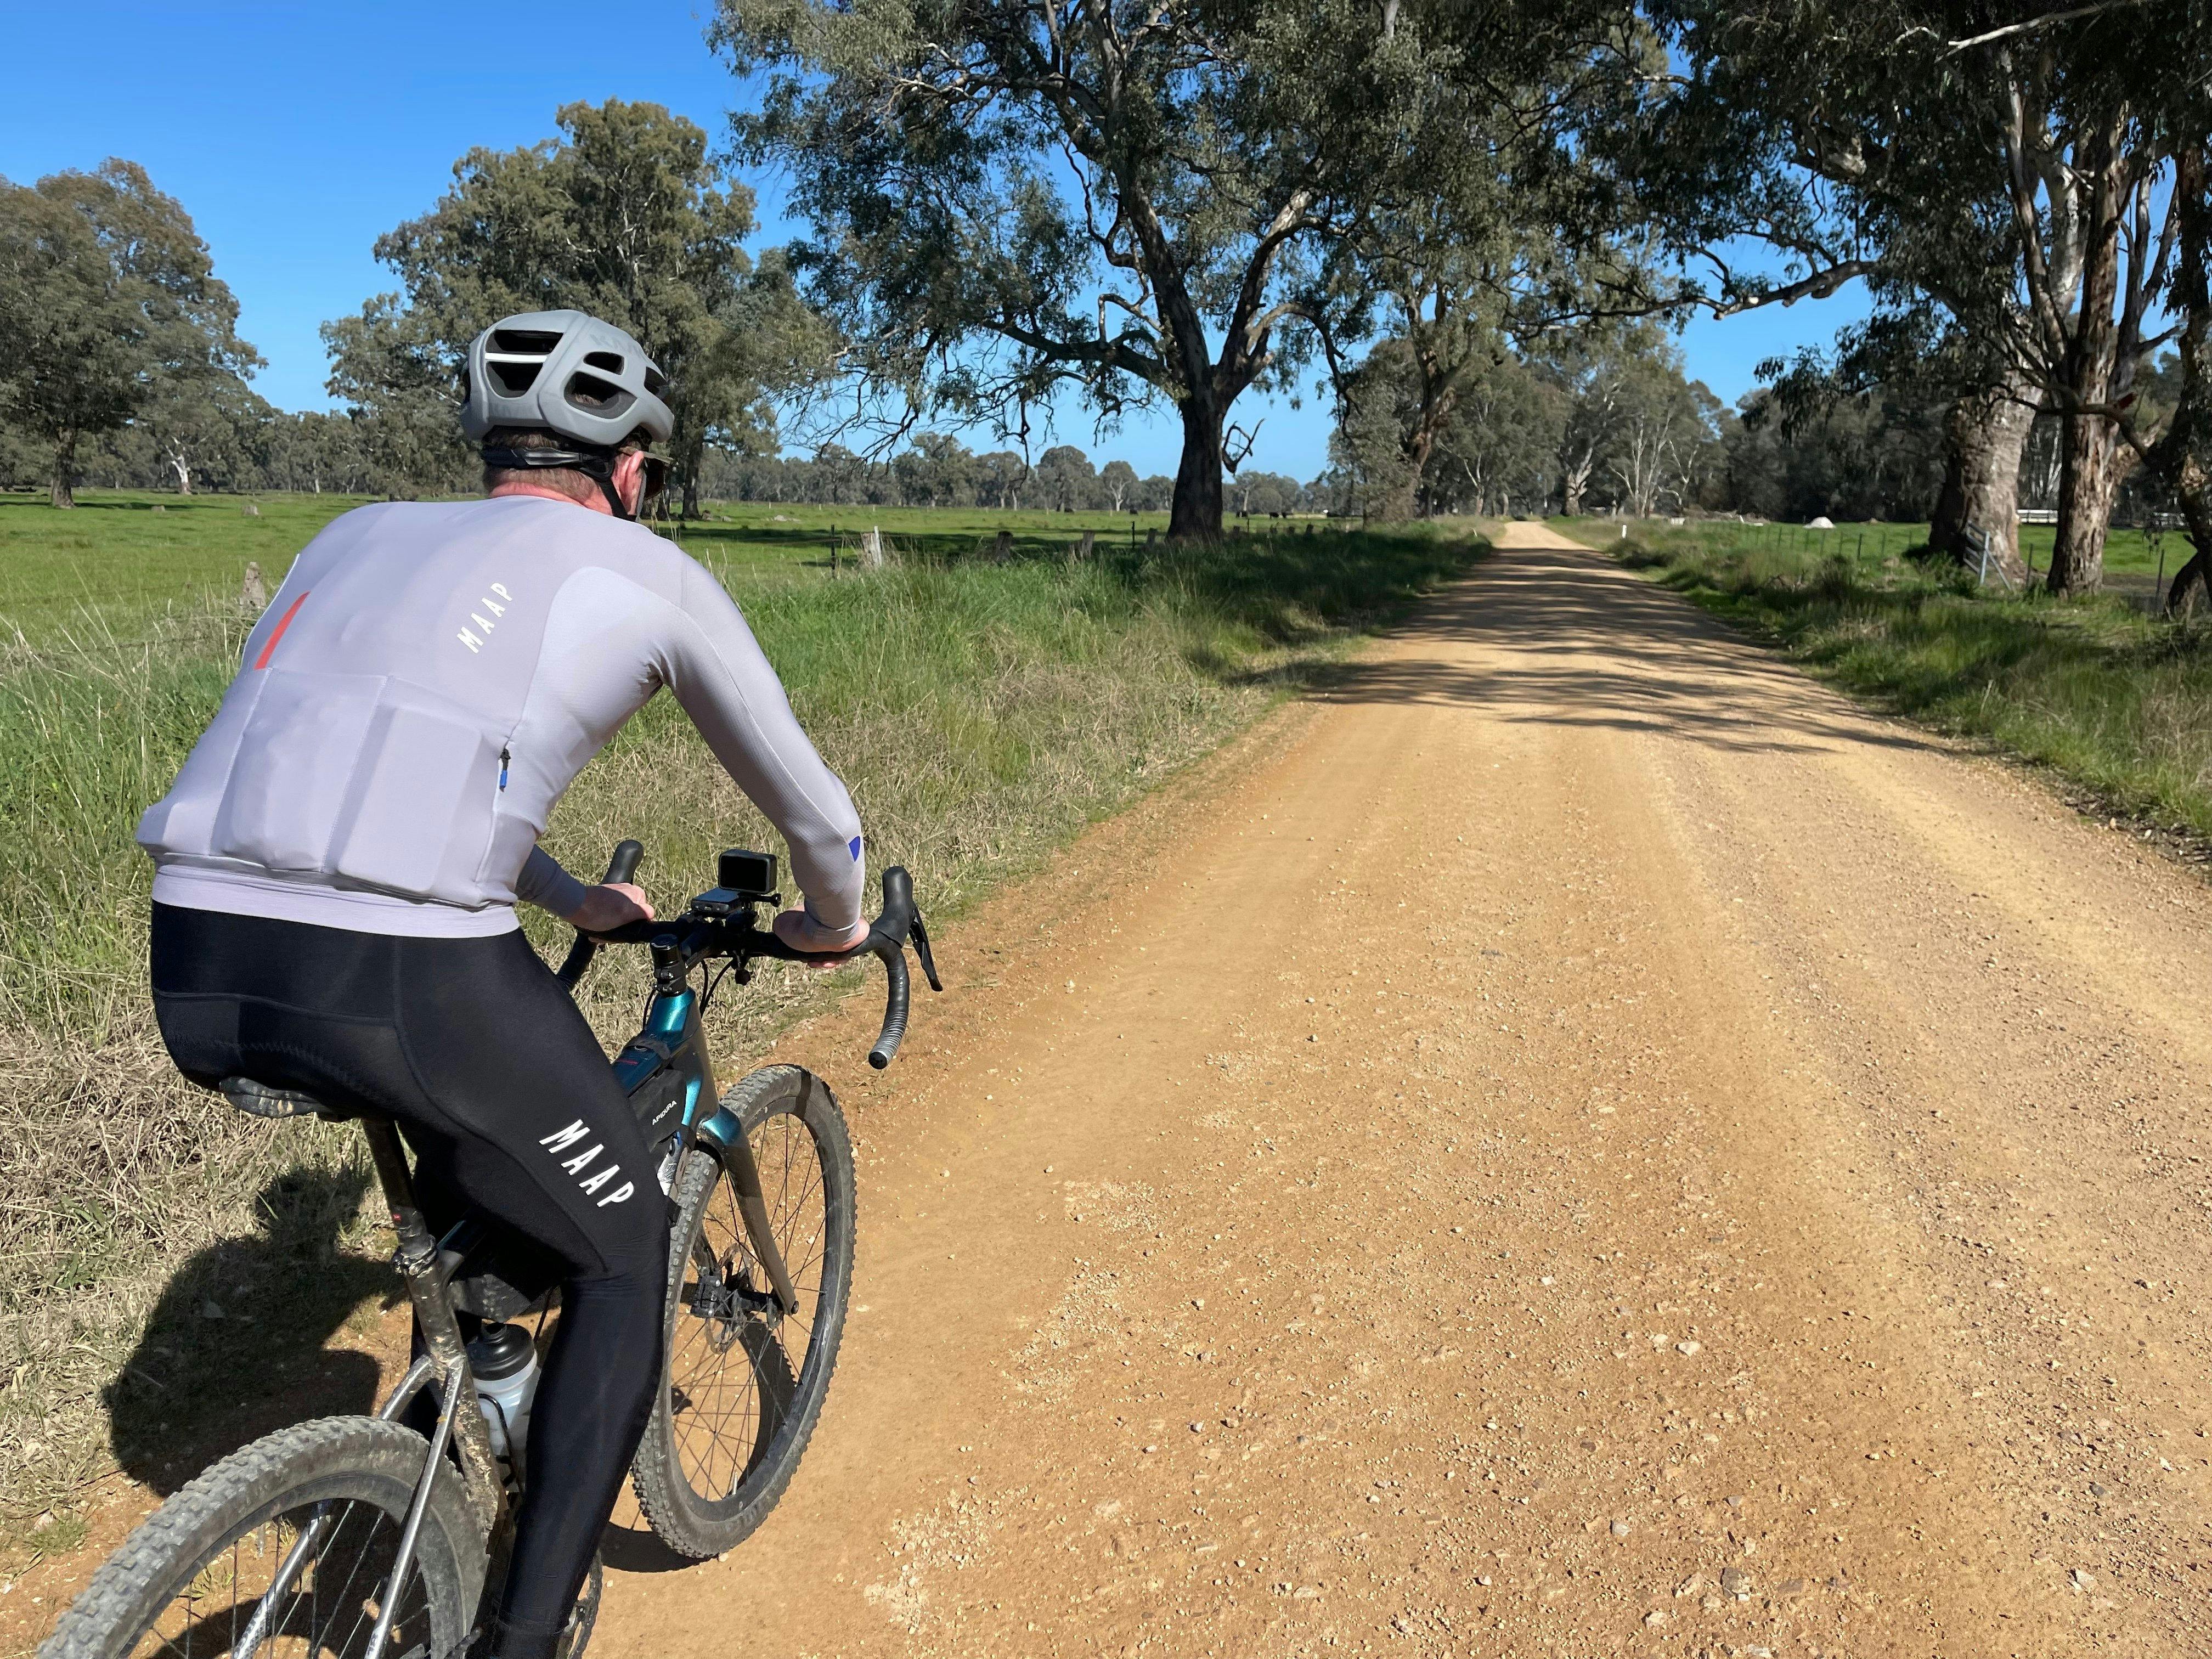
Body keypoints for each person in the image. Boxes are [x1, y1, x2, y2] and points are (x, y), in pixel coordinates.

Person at [134, 309, 868, 1659]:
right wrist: (840, 921)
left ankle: (486, 1364)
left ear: (490, 447)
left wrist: (566, 896)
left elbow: (376, 757)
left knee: (487, 1134)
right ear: (632, 469)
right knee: (627, 1247)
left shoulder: (350, 534)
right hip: (405, 975)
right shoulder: (649, 571)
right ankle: (524, 1635)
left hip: (194, 952)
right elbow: (815, 815)